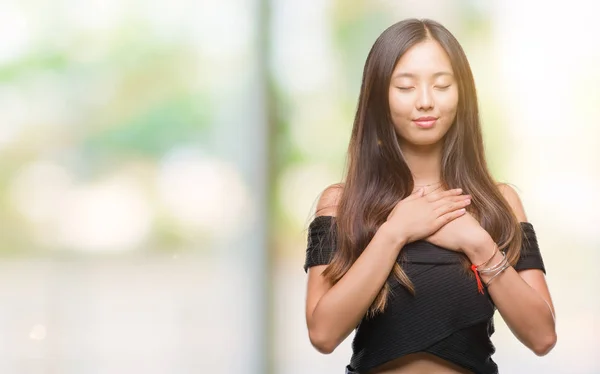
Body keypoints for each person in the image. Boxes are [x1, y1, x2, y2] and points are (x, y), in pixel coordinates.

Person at [303, 18, 556, 374]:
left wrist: (479, 244)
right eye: (405, 87)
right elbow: (323, 334)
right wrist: (395, 232)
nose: (425, 102)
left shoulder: (499, 203)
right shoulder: (342, 203)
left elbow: (542, 337)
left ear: (461, 93)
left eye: (441, 85)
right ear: (380, 97)